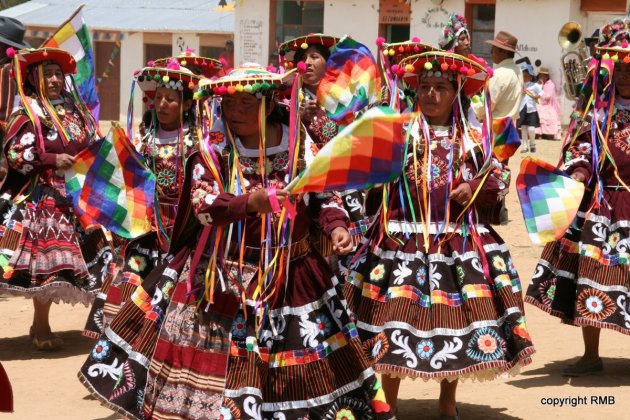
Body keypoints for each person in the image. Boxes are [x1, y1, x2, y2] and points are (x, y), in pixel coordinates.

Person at [190, 65, 392, 419]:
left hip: (300, 274)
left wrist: (335, 226)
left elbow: (322, 194)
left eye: (245, 104)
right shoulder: (214, 151)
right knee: (243, 365)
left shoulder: (298, 144)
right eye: (229, 104)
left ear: (268, 105)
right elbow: (202, 207)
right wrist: (246, 203)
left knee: (312, 359)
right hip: (237, 279)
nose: (234, 113)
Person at [343, 51, 535, 418]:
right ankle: (389, 404)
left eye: (440, 88)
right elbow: (366, 177)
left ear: (457, 92)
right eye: (424, 87)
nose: (430, 95)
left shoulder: (472, 140)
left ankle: (448, 404)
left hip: (455, 242)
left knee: (455, 323)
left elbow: (498, 177)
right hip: (400, 241)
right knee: (391, 321)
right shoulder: (397, 134)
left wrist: (472, 185)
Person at [78, 63, 204, 419]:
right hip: (146, 236)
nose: (162, 104)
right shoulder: (145, 138)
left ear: (186, 104)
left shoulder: (200, 143)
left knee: (170, 312)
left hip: (184, 236)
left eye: (171, 99)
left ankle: (162, 380)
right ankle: (125, 374)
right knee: (135, 304)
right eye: (158, 98)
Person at [525, 17, 630, 377]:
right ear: (609, 68)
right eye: (621, 66)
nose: (626, 73)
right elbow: (579, 146)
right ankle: (591, 354)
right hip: (602, 206)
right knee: (593, 278)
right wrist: (581, 171)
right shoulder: (596, 109)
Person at [0, 48, 109, 350]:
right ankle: (41, 325)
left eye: (57, 74)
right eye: (46, 74)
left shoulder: (76, 109)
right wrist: (51, 159)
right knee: (46, 266)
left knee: (102, 260)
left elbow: (91, 141)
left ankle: (104, 326)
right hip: (47, 195)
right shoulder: (28, 111)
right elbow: (15, 153)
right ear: (34, 78)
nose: (53, 80)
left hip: (81, 196)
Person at [473, 31, 523, 225]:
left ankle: (492, 210)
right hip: (509, 126)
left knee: (489, 169)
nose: (491, 51)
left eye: (494, 48)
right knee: (501, 168)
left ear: (502, 52)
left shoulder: (501, 74)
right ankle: (499, 209)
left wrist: (470, 104)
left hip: (495, 126)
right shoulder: (516, 71)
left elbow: (486, 105)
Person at [519, 63, 542, 153]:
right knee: (523, 128)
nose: (524, 77)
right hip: (522, 108)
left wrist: (537, 97)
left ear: (530, 75)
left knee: (531, 128)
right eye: (523, 75)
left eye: (526, 75)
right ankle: (525, 147)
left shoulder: (534, 85)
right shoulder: (520, 85)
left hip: (532, 108)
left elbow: (541, 92)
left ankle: (532, 144)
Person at [536, 65, 562, 140]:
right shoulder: (540, 84)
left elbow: (547, 96)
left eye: (544, 75)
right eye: (541, 75)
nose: (542, 77)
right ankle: (540, 133)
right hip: (542, 105)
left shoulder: (550, 84)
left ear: (547, 76)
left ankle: (549, 133)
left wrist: (539, 92)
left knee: (544, 113)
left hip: (550, 105)